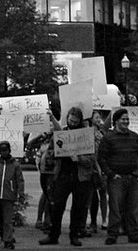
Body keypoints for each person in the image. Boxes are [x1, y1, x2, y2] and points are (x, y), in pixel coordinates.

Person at [39, 106, 96, 247]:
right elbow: (52, 150)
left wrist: (79, 159)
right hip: (62, 175)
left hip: (80, 177)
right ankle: (53, 235)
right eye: (71, 120)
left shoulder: (86, 136)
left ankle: (74, 235)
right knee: (56, 207)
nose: (73, 123)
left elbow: (92, 159)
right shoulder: (61, 133)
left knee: (78, 208)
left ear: (80, 121)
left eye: (76, 122)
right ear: (67, 119)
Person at [98, 108, 138, 245]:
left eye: (127, 119)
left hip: (134, 178)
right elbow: (101, 158)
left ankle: (134, 234)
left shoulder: (135, 137)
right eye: (123, 119)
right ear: (116, 121)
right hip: (116, 179)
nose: (126, 122)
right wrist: (111, 174)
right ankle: (113, 234)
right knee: (115, 208)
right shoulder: (108, 138)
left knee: (134, 209)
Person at [0, 140, 25, 249]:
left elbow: (20, 181)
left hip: (9, 195)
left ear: (9, 150)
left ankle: (7, 239)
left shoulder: (15, 165)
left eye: (5, 150)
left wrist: (20, 194)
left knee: (7, 220)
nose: (4, 153)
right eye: (2, 151)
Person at [87, 110, 108, 235]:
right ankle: (93, 220)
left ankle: (105, 219)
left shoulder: (103, 132)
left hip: (102, 163)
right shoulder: (88, 132)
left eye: (99, 117)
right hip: (92, 165)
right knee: (93, 194)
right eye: (96, 117)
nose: (98, 119)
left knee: (103, 194)